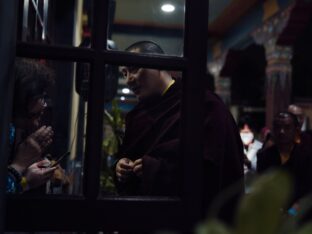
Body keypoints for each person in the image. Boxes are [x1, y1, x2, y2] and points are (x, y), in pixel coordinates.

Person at [114, 41, 244, 222]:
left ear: (159, 64)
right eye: (124, 73)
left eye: (134, 68)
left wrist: (156, 169)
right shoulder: (136, 116)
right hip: (143, 218)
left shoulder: (204, 105)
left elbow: (214, 168)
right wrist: (122, 166)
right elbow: (128, 154)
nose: (128, 79)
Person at [6, 59, 57, 193]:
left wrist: (26, 180)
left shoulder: (11, 129)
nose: (35, 123)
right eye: (33, 115)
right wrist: (19, 164)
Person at [257, 112, 312, 204]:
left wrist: (292, 211)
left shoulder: (306, 156)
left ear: (296, 131)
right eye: (278, 127)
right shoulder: (265, 156)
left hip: (301, 212)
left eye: (287, 127)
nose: (281, 131)